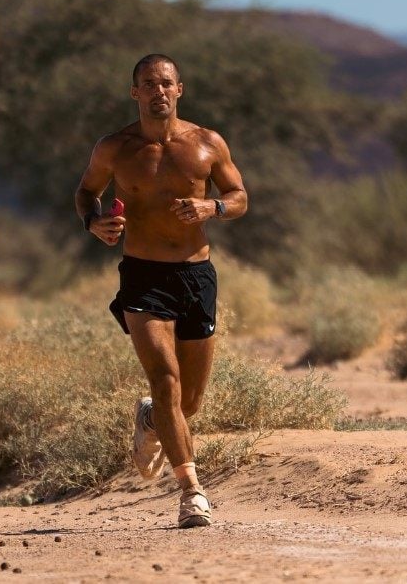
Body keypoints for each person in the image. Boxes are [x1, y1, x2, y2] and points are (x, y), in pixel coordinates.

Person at [74, 54, 248, 528]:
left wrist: (212, 206)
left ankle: (152, 420)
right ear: (135, 93)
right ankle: (191, 492)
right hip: (143, 276)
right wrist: (95, 223)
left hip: (196, 276)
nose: (158, 91)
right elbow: (86, 193)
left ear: (180, 89)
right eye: (148, 84)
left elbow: (240, 198)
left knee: (187, 403)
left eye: (166, 83)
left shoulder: (206, 143)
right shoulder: (115, 148)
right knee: (165, 380)